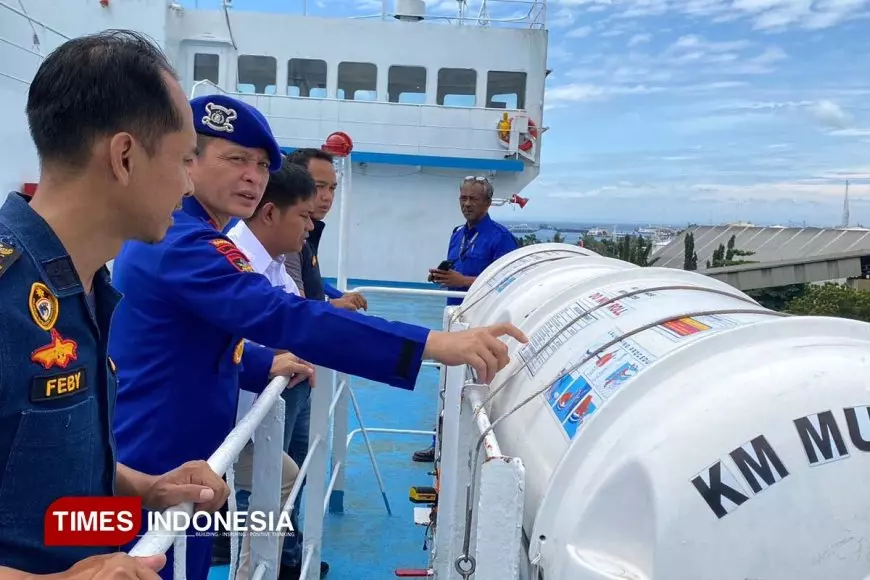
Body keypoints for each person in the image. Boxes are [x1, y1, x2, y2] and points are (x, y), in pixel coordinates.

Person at [109, 93, 527, 580]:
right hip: (152, 464)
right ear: (190, 160)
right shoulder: (182, 243)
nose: (252, 176)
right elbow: (287, 316)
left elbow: (195, 340)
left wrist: (265, 365)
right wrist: (433, 344)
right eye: (235, 158)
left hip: (180, 461)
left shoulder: (193, 235)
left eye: (262, 164)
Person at [0, 30, 229, 578]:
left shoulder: (83, 285)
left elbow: (42, 455)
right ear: (125, 157)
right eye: (184, 160)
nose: (187, 185)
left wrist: (148, 489)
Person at [225, 161, 326, 580]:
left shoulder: (273, 264)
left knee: (281, 477)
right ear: (270, 213)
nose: (309, 226)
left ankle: (255, 571)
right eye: (304, 215)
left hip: (244, 417)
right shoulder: (233, 260)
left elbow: (297, 318)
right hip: (219, 419)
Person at [415, 175, 519, 463]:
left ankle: (461, 454)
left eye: (473, 198)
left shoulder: (500, 239)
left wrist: (463, 280)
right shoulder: (458, 233)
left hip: (481, 323)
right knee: (446, 385)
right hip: (454, 321)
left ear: (487, 202)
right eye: (463, 198)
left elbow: (507, 283)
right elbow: (457, 270)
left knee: (470, 388)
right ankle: (439, 446)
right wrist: (443, 276)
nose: (467, 203)